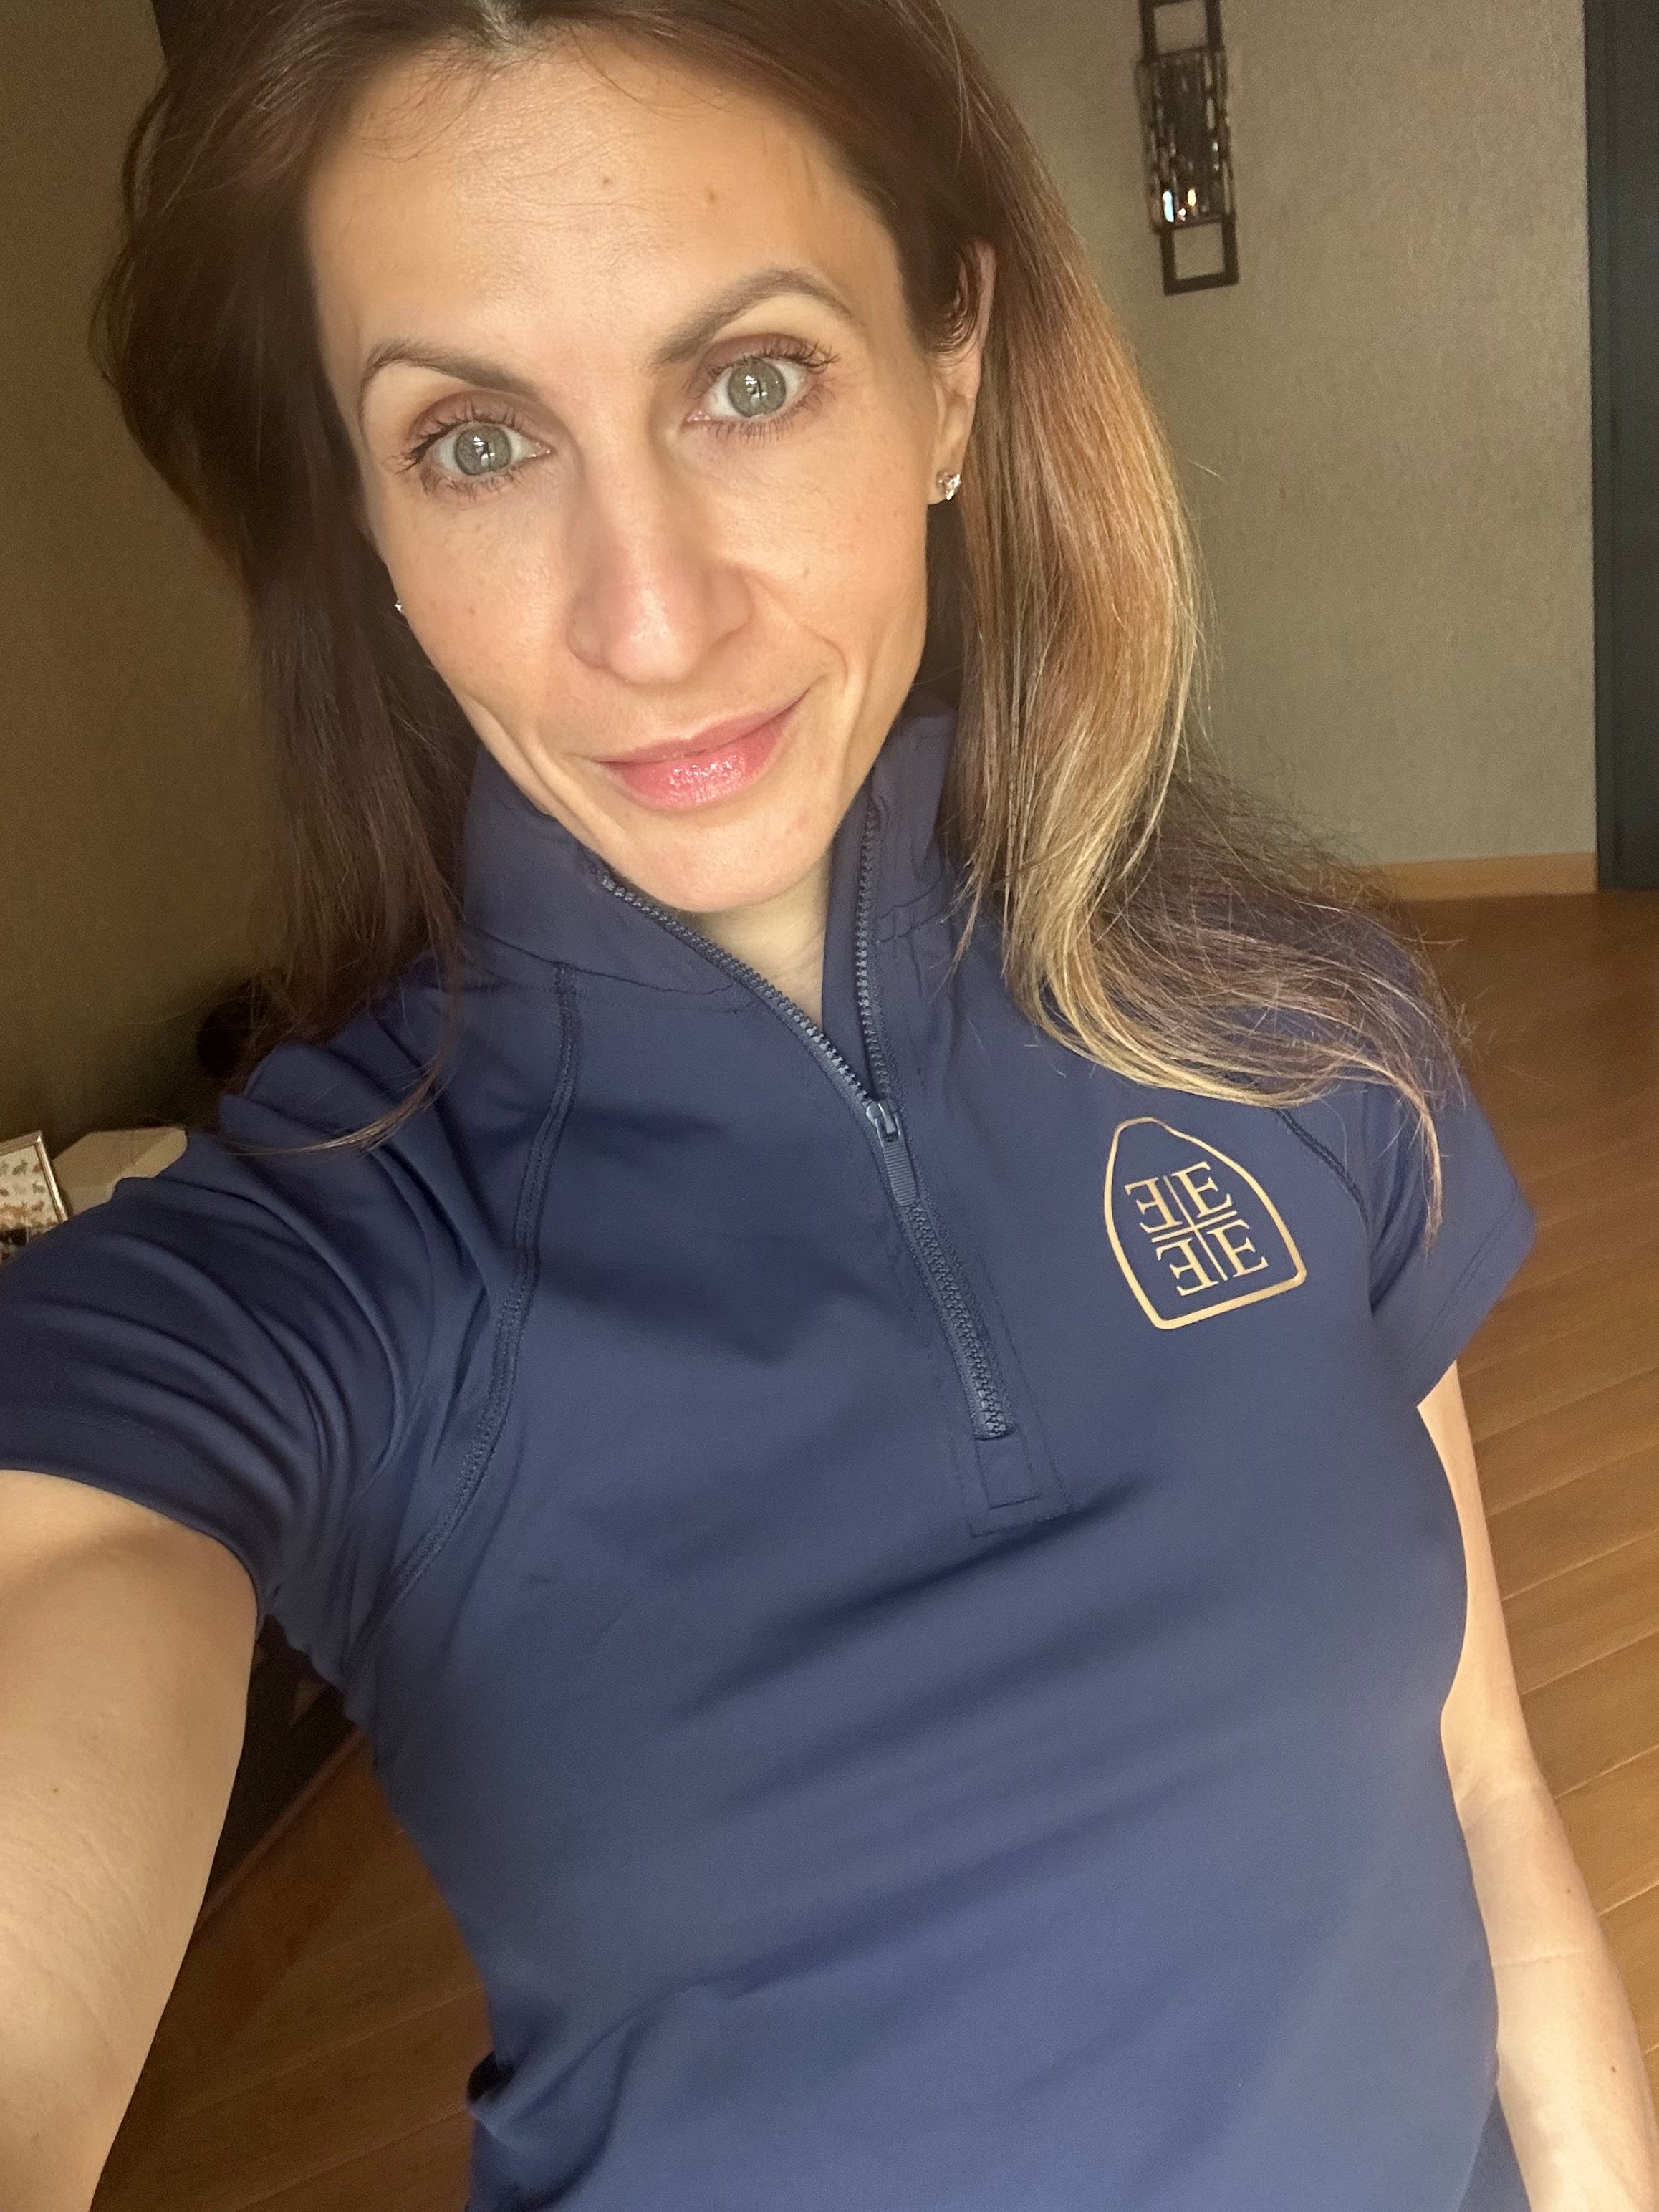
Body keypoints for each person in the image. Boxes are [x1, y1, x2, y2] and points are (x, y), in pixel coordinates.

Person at [0, 3, 1652, 2207]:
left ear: (947, 374)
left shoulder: (1292, 1029)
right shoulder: (313, 1274)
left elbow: (1483, 1791)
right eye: (475, 441)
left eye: (751, 380)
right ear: (367, 518)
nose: (650, 618)